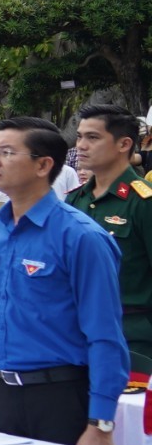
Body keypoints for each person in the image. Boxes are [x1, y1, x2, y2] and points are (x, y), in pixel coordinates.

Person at [0, 117, 127, 445]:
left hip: (58, 396)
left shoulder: (81, 237)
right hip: (1, 393)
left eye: (8, 152)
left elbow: (104, 334)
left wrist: (100, 422)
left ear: (43, 165)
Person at [69, 104, 152, 377]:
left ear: (124, 144)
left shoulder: (143, 201)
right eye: (79, 136)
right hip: (76, 337)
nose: (81, 145)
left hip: (131, 341)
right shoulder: (75, 199)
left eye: (93, 137)